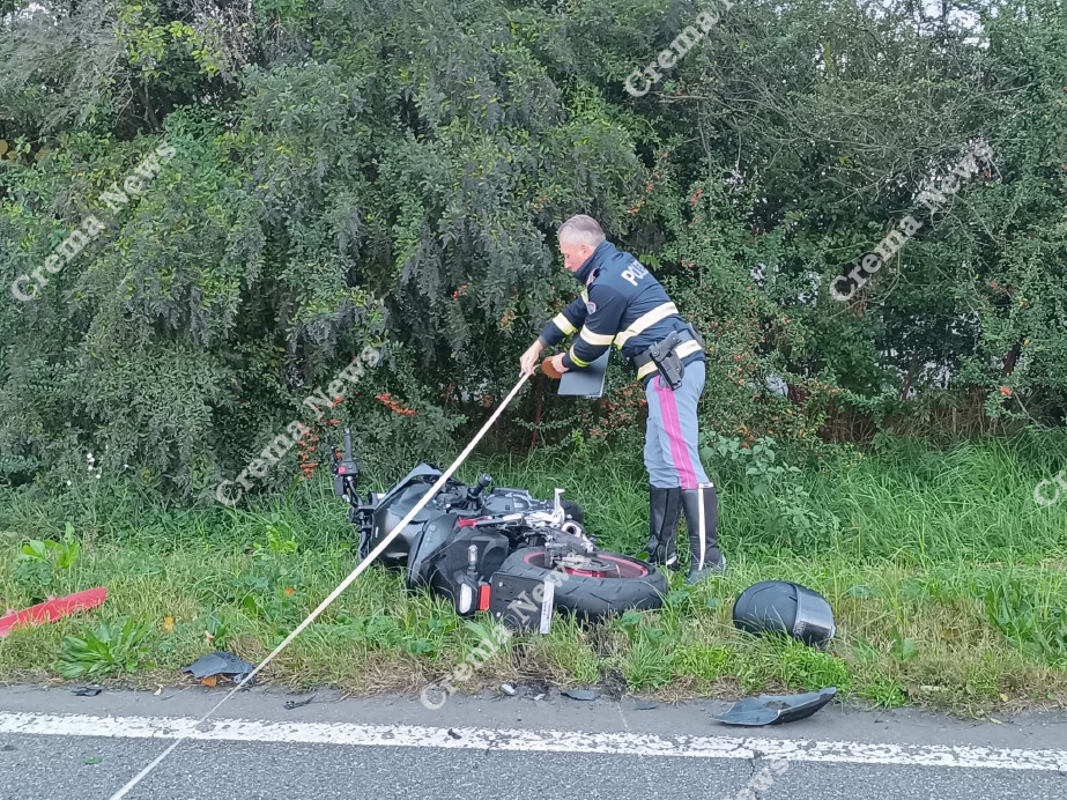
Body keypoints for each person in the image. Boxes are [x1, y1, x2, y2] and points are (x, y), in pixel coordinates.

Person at [519, 214, 724, 583]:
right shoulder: (611, 266)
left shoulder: (608, 283)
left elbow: (589, 348)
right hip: (669, 369)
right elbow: (577, 312)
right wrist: (539, 344)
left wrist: (558, 364)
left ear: (585, 249)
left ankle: (709, 564)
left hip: (669, 372)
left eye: (566, 255)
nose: (565, 263)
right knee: (659, 462)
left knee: (683, 464)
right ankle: (662, 555)